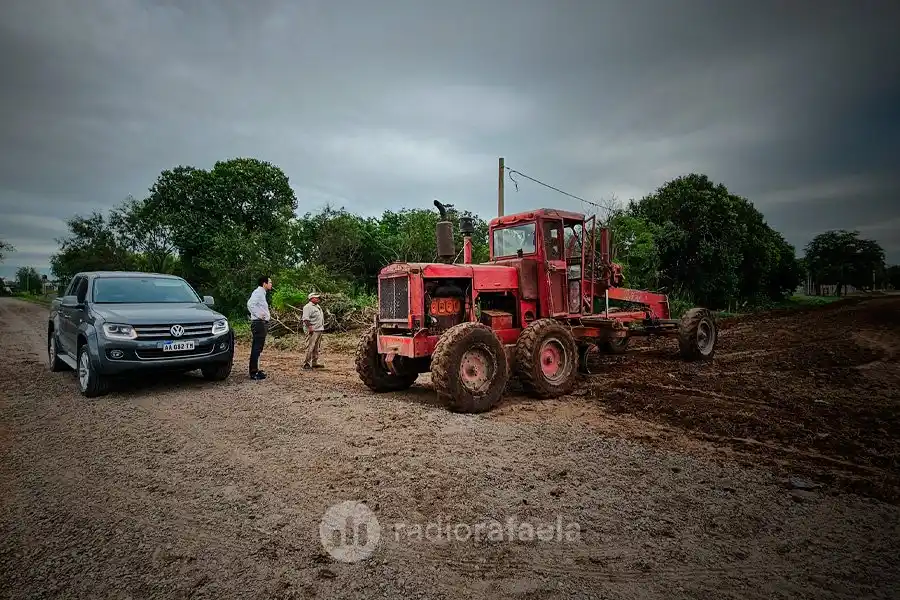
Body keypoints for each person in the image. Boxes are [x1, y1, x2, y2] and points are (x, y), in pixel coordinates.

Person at [246, 275, 273, 380]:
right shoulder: (258, 292)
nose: (271, 284)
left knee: (258, 348)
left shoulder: (262, 293)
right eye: (270, 282)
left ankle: (256, 369)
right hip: (259, 323)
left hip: (261, 323)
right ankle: (253, 372)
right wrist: (259, 315)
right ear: (264, 283)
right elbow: (250, 304)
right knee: (257, 348)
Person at [302, 292, 325, 370]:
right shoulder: (307, 307)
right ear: (311, 298)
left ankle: (314, 362)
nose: (318, 299)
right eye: (316, 297)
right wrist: (310, 327)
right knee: (310, 346)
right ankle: (306, 363)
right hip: (313, 329)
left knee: (316, 347)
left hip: (319, 329)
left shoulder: (317, 306)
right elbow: (305, 319)